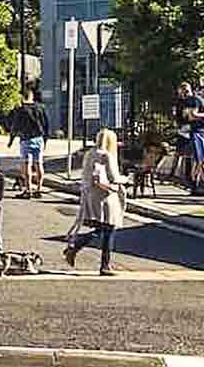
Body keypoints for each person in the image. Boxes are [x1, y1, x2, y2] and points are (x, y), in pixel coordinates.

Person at [64, 128, 127, 276]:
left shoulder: (89, 153)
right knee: (109, 228)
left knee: (100, 228)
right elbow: (113, 177)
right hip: (106, 195)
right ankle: (104, 265)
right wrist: (125, 179)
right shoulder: (107, 156)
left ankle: (75, 248)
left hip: (91, 194)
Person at [7, 88, 49, 199]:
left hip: (26, 139)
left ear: (22, 97)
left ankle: (28, 189)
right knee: (39, 163)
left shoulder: (20, 110)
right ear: (32, 97)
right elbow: (46, 124)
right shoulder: (41, 108)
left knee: (27, 165)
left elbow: (15, 126)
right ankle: (39, 189)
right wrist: (45, 139)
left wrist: (11, 139)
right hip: (38, 139)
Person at [170, 82, 196, 185]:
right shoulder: (180, 102)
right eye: (183, 91)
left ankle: (187, 175)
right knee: (179, 152)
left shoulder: (193, 100)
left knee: (188, 153)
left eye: (186, 91)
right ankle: (173, 173)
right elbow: (178, 114)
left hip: (190, 128)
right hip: (183, 128)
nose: (185, 93)